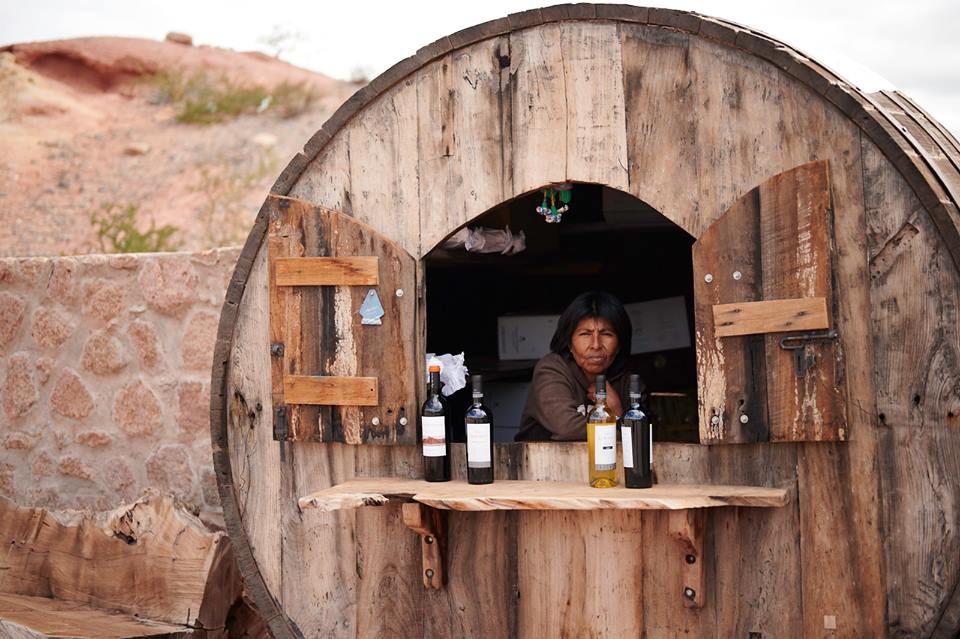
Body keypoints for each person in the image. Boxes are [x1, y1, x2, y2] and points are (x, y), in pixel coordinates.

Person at [516, 291, 640, 441]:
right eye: (585, 334)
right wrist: (620, 423)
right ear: (569, 343)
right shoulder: (551, 370)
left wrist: (617, 409)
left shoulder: (628, 381)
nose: (596, 345)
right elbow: (567, 429)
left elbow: (645, 435)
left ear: (619, 344)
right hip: (543, 457)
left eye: (606, 334)